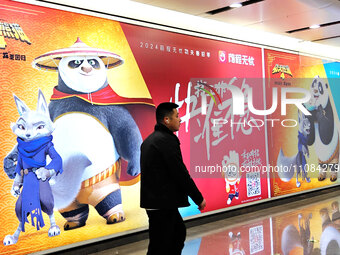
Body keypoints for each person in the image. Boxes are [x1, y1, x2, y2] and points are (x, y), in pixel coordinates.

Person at [140, 102, 206, 255]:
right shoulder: (166, 141)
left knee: (175, 234)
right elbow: (180, 173)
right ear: (166, 120)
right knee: (162, 244)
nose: (180, 119)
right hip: (162, 203)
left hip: (156, 202)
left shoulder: (150, 140)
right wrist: (198, 198)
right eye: (177, 116)